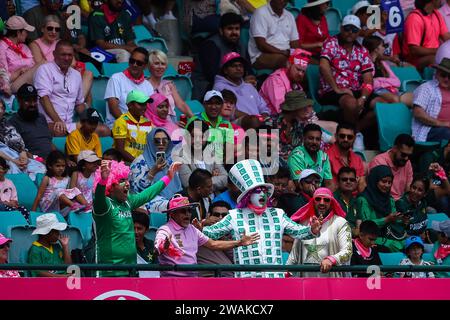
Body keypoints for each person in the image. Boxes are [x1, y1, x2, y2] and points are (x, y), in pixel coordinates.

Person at [200, 159, 321, 278]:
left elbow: (299, 232)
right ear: (248, 195)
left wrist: (312, 230)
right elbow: (210, 234)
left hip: (274, 278)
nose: (262, 194)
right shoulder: (234, 216)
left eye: (264, 191)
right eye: (258, 191)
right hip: (246, 280)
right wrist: (199, 229)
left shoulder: (278, 214)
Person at [93, 159, 181, 277]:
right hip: (109, 272)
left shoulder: (128, 202)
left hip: (131, 269)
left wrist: (168, 177)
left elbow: (148, 194)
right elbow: (98, 196)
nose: (128, 184)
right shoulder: (104, 205)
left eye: (127, 180)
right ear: (111, 185)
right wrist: (103, 181)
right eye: (122, 181)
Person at [155, 194, 259, 277]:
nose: (187, 214)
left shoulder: (192, 229)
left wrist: (239, 242)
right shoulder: (165, 230)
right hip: (172, 281)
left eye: (189, 211)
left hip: (193, 280)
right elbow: (158, 247)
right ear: (172, 214)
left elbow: (213, 244)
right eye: (183, 211)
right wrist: (162, 246)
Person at [318, 15, 383, 138]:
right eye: (347, 28)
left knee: (381, 105)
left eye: (354, 30)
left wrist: (363, 97)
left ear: (358, 32)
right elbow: (323, 66)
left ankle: (355, 132)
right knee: (351, 103)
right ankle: (351, 136)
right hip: (332, 90)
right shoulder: (331, 43)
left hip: (356, 90)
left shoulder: (362, 50)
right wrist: (336, 88)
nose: (350, 33)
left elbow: (368, 78)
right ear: (341, 28)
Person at [28, 15, 94, 104]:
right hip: (49, 78)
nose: (53, 32)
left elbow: (73, 62)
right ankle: (77, 104)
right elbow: (41, 66)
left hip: (66, 74)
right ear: (42, 29)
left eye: (57, 29)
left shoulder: (60, 43)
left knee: (88, 74)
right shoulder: (35, 44)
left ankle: (77, 104)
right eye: (50, 28)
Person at [289, 187, 353, 277]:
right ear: (313, 201)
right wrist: (287, 273)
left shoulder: (340, 223)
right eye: (318, 199)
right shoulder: (304, 223)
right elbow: (294, 255)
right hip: (306, 283)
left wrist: (331, 260)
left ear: (331, 203)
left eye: (326, 200)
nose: (322, 203)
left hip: (332, 282)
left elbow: (348, 251)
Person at [192, 12, 253, 100]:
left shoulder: (241, 45)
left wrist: (251, 79)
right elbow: (213, 75)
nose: (234, 32)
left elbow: (248, 69)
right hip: (207, 87)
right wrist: (239, 82)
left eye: (237, 29)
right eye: (230, 29)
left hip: (236, 84)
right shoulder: (210, 45)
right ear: (221, 30)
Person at [33, 40, 85, 136]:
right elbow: (44, 99)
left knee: (103, 129)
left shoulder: (76, 74)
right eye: (63, 55)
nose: (67, 58)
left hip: (69, 124)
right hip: (49, 122)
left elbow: (79, 104)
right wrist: (58, 121)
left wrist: (88, 119)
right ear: (54, 54)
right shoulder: (45, 69)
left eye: (70, 55)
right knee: (59, 131)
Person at [129, 128, 183, 213]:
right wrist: (153, 171)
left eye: (164, 141)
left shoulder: (171, 160)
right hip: (148, 200)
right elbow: (136, 192)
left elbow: (178, 186)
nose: (161, 144)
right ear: (150, 142)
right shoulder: (140, 162)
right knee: (170, 205)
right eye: (157, 141)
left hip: (172, 197)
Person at [274, 91, 334, 165]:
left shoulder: (300, 124)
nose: (307, 110)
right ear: (293, 109)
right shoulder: (272, 124)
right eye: (303, 107)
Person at [357, 165, 406, 252]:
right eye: (383, 181)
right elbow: (366, 225)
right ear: (375, 180)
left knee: (409, 243)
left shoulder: (389, 198)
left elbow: (394, 219)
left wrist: (401, 219)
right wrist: (386, 219)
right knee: (395, 246)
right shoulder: (363, 199)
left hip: (390, 233)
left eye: (389, 182)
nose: (387, 185)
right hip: (372, 237)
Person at [104, 47, 154, 128]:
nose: (134, 64)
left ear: (145, 66)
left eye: (139, 63)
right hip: (118, 124)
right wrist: (130, 124)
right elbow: (113, 108)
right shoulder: (116, 78)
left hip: (140, 126)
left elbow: (149, 111)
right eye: (132, 61)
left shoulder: (148, 85)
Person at [0, 97, 46, 180]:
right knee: (12, 169)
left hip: (16, 157)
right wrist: (14, 161)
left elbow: (20, 146)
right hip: (4, 160)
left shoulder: (8, 126)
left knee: (41, 168)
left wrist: (23, 156)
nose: (0, 111)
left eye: (2, 108)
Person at [213, 52, 270, 116]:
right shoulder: (219, 87)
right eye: (234, 66)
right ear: (225, 70)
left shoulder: (249, 86)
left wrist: (264, 116)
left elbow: (263, 107)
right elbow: (224, 110)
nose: (238, 68)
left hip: (257, 122)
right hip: (233, 124)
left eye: (241, 66)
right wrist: (250, 119)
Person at [363, 35, 414, 107]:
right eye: (383, 45)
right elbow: (371, 83)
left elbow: (397, 82)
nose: (385, 48)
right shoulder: (365, 63)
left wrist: (380, 80)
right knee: (395, 100)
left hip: (391, 90)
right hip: (377, 91)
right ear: (376, 49)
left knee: (414, 99)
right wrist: (386, 81)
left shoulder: (382, 63)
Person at [185, 90, 235, 163]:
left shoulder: (227, 124)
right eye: (210, 103)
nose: (214, 107)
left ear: (221, 105)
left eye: (218, 103)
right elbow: (187, 145)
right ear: (204, 104)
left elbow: (229, 151)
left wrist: (221, 166)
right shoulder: (196, 120)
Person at [400, 0, 450, 71]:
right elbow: (414, 50)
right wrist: (438, 51)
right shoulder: (414, 18)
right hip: (414, 61)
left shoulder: (436, 14)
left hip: (434, 55)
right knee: (437, 59)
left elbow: (447, 37)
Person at [248, 0, 300, 70]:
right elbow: (261, 45)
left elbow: (294, 42)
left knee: (309, 61)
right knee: (286, 61)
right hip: (261, 55)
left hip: (285, 53)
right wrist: (283, 52)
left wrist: (294, 55)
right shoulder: (260, 13)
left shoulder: (289, 16)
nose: (283, 1)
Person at [7, 83, 53, 160]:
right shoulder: (13, 122)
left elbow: (49, 143)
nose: (32, 104)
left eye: (34, 100)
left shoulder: (41, 118)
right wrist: (40, 161)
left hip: (51, 163)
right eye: (27, 101)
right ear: (19, 101)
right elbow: (19, 150)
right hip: (33, 163)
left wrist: (62, 158)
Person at [259, 49, 311, 115]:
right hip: (272, 120)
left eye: (303, 71)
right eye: (298, 69)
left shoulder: (296, 83)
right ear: (288, 64)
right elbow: (282, 110)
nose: (300, 74)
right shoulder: (275, 80)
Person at [146, 50, 193, 119]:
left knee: (199, 128)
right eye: (156, 63)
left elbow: (181, 105)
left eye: (163, 64)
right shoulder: (144, 85)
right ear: (149, 66)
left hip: (171, 122)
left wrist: (196, 120)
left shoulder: (169, 85)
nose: (160, 67)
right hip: (152, 124)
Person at [412, 58, 450, 142]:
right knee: (447, 132)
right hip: (430, 129)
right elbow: (418, 113)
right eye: (443, 75)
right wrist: (442, 123)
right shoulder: (426, 88)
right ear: (437, 73)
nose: (446, 79)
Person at [0, 16, 39, 94]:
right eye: (26, 31)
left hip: (29, 82)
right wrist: (20, 71)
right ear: (18, 33)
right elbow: (4, 78)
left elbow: (33, 66)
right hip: (13, 86)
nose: (27, 34)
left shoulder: (24, 47)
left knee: (43, 65)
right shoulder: (2, 47)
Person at [368, 134, 414, 200]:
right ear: (394, 148)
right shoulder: (378, 162)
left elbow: (408, 188)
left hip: (401, 203)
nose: (406, 158)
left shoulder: (407, 162)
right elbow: (377, 193)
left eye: (409, 156)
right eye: (403, 154)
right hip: (383, 203)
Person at [112, 90, 153, 163]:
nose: (144, 107)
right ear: (130, 105)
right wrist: (137, 162)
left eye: (145, 104)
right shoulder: (122, 121)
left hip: (144, 163)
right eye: (140, 104)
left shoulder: (148, 123)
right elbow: (120, 149)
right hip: (125, 162)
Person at [288, 123, 333, 188]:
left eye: (317, 139)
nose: (314, 142)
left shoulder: (324, 157)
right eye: (311, 138)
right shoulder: (296, 156)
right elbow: (300, 185)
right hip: (300, 195)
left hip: (319, 194)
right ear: (304, 138)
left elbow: (329, 184)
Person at [196, 201, 234, 277]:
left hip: (229, 277)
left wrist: (219, 234)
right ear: (209, 215)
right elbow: (189, 227)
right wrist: (204, 223)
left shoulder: (235, 234)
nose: (220, 218)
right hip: (206, 277)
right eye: (216, 215)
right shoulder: (199, 231)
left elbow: (235, 258)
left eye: (224, 216)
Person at [28, 213, 72, 277]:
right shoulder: (35, 250)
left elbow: (69, 268)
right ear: (45, 233)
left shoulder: (56, 247)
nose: (58, 233)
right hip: (47, 284)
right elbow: (38, 272)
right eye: (55, 231)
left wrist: (65, 246)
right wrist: (60, 277)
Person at [326, 122, 366, 193]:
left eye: (350, 137)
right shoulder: (326, 156)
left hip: (354, 200)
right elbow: (330, 186)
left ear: (354, 138)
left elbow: (361, 185)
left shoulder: (357, 159)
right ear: (336, 136)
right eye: (342, 136)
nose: (346, 139)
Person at [334, 167, 361, 237]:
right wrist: (351, 231)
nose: (348, 182)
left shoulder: (356, 201)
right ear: (338, 182)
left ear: (355, 182)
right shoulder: (332, 199)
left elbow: (359, 220)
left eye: (352, 180)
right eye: (344, 179)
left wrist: (358, 230)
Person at [132, 211, 159, 278]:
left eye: (139, 228)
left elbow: (156, 269)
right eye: (133, 228)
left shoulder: (152, 245)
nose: (135, 232)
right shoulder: (125, 246)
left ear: (146, 230)